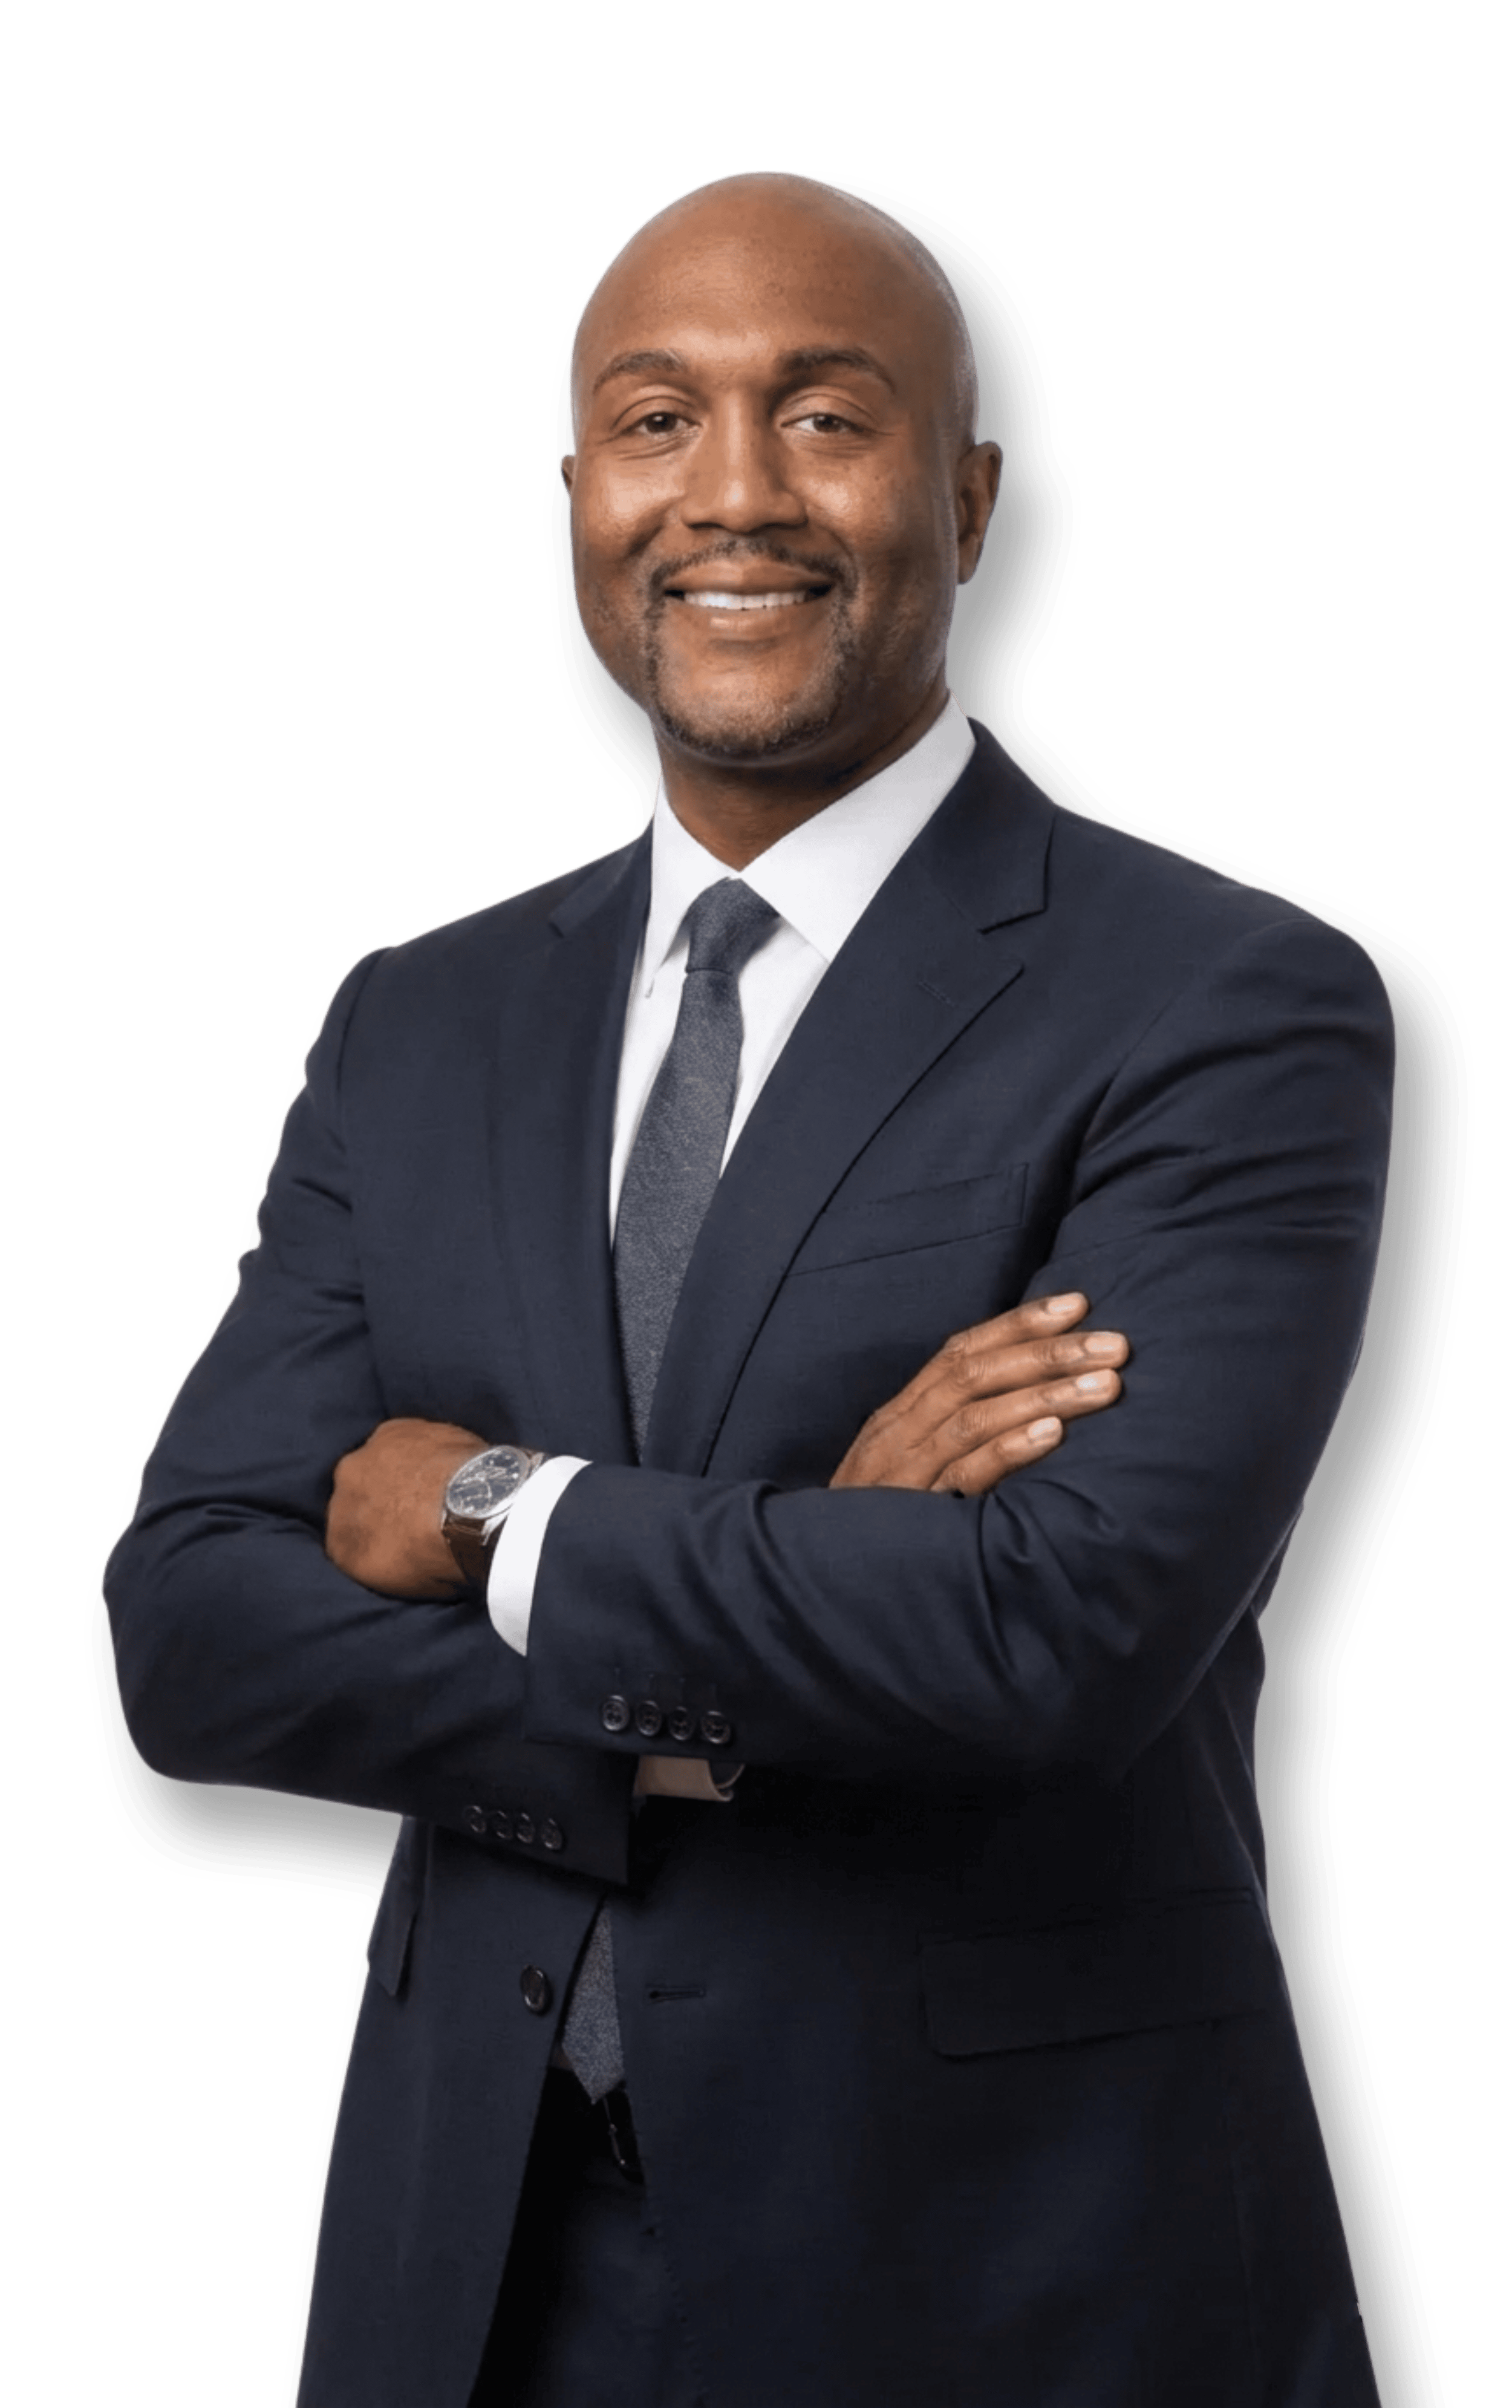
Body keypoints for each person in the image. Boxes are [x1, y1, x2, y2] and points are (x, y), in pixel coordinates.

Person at [103, 169, 1392, 2407]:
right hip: (476, 2280)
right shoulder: (424, 1019)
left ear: (966, 503)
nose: (728, 495)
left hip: (1015, 2276)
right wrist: (732, 1679)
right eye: (651, 419)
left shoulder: (1226, 1002)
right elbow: (195, 1632)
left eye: (821, 418)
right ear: (580, 493)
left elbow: (1045, 1632)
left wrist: (498, 1515)